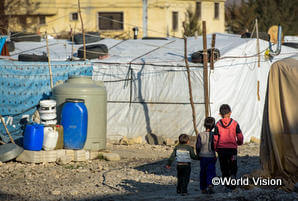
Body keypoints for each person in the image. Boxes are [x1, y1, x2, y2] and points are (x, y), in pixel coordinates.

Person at [214, 104, 244, 189]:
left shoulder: (218, 124)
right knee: (233, 164)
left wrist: (216, 148)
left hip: (221, 150)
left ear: (220, 114)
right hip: (232, 149)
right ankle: (233, 179)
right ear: (230, 113)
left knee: (224, 166)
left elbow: (215, 138)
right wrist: (239, 142)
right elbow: (240, 135)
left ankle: (226, 183)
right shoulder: (235, 123)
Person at [196, 117, 216, 194]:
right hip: (211, 156)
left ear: (204, 125)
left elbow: (198, 146)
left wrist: (198, 154)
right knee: (211, 171)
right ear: (213, 126)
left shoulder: (200, 135)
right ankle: (210, 185)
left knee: (203, 172)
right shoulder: (214, 135)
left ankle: (203, 188)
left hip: (202, 157)